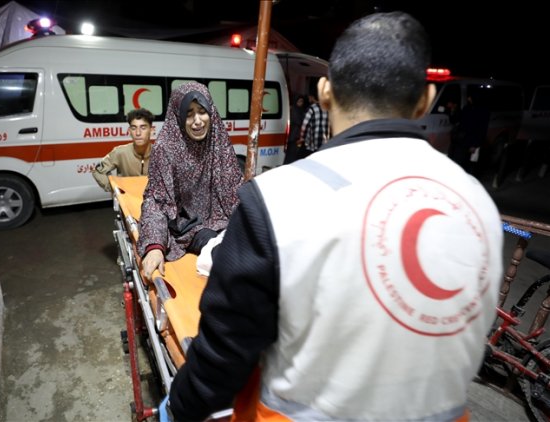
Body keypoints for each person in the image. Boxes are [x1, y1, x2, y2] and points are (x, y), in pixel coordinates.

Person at [164, 11, 504, 421]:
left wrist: (175, 409)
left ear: (325, 92)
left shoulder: (275, 201)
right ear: (426, 100)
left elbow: (221, 360)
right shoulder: (478, 206)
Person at [137, 82, 243, 281]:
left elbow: (235, 187)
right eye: (189, 113)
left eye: (202, 111)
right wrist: (154, 246)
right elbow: (156, 200)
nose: (197, 121)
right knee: (228, 257)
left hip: (223, 220)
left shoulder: (217, 140)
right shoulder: (166, 148)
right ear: (178, 116)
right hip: (189, 227)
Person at [91, 108, 154, 192]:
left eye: (143, 128)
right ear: (129, 131)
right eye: (134, 128)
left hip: (153, 203)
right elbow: (97, 171)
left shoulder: (161, 154)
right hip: (127, 203)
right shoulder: (120, 152)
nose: (138, 133)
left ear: (151, 130)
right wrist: (115, 189)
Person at [297, 92, 329, 157]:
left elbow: (304, 125)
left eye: (309, 97)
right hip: (324, 141)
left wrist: (301, 138)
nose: (308, 98)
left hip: (312, 142)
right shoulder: (327, 108)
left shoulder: (311, 108)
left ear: (312, 97)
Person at [283, 94, 309, 164]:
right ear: (296, 101)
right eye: (299, 101)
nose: (301, 103)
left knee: (294, 152)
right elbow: (298, 121)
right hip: (293, 135)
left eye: (302, 102)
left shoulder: (301, 110)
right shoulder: (294, 110)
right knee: (291, 152)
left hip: (296, 135)